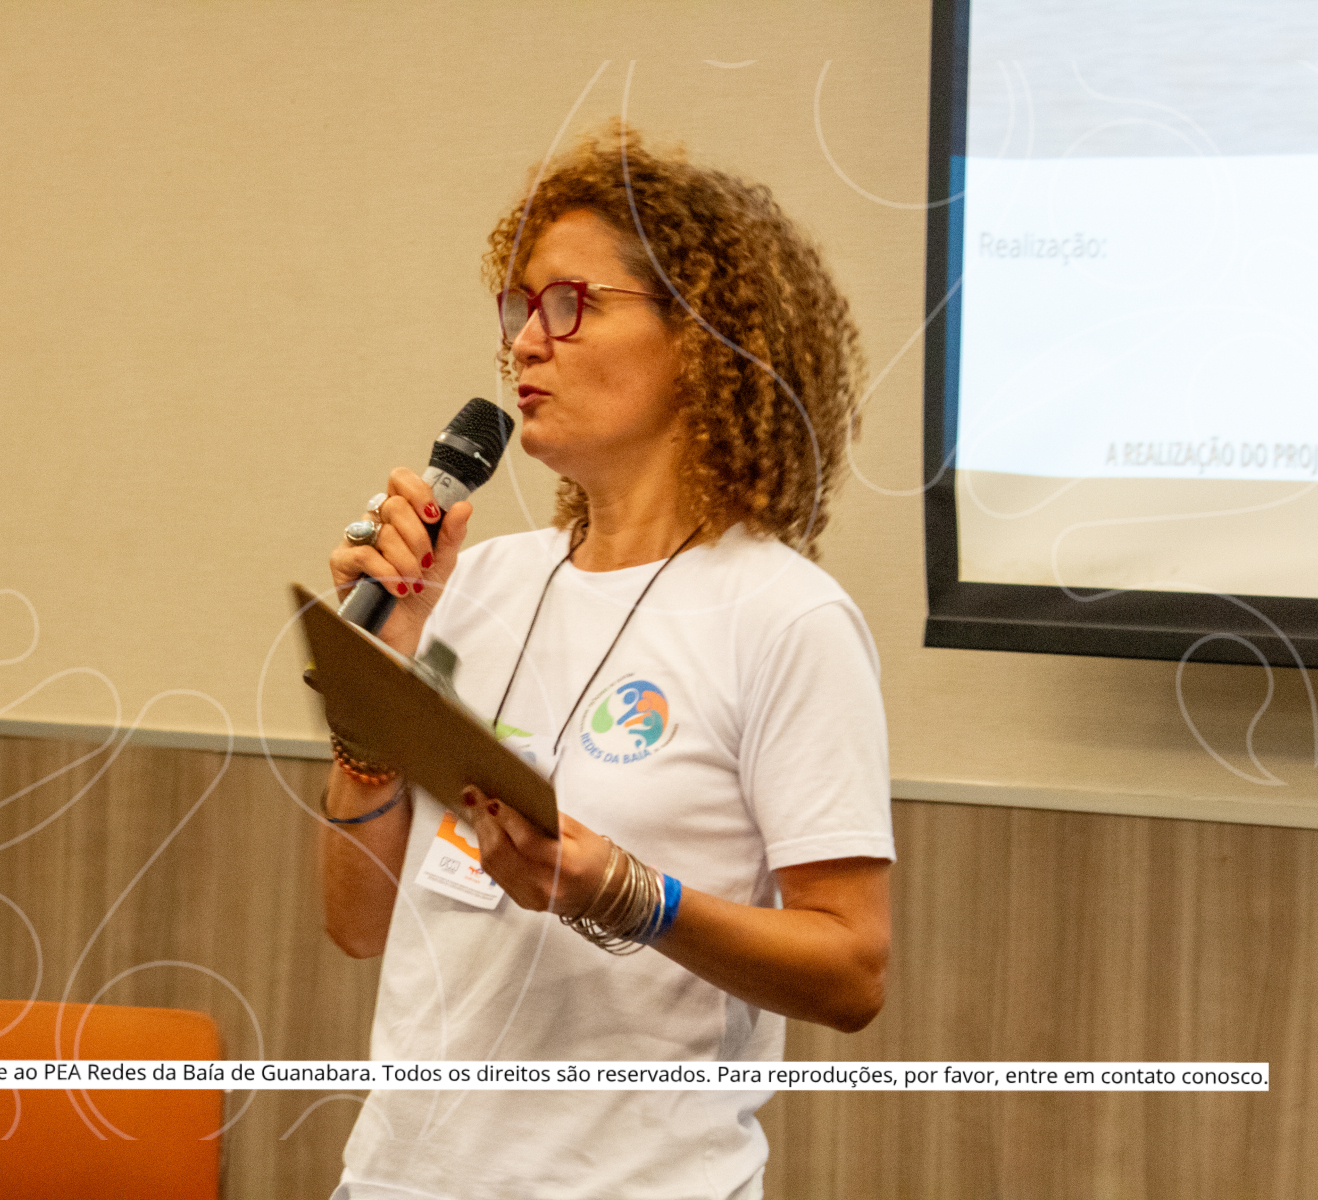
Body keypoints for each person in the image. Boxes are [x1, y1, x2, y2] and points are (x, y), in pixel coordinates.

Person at [318, 125, 893, 1200]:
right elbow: (355, 925)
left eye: (569, 304)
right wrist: (374, 701)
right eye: (519, 309)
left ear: (702, 337)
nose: (527, 345)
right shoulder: (473, 585)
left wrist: (629, 896)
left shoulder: (785, 617)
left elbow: (852, 970)